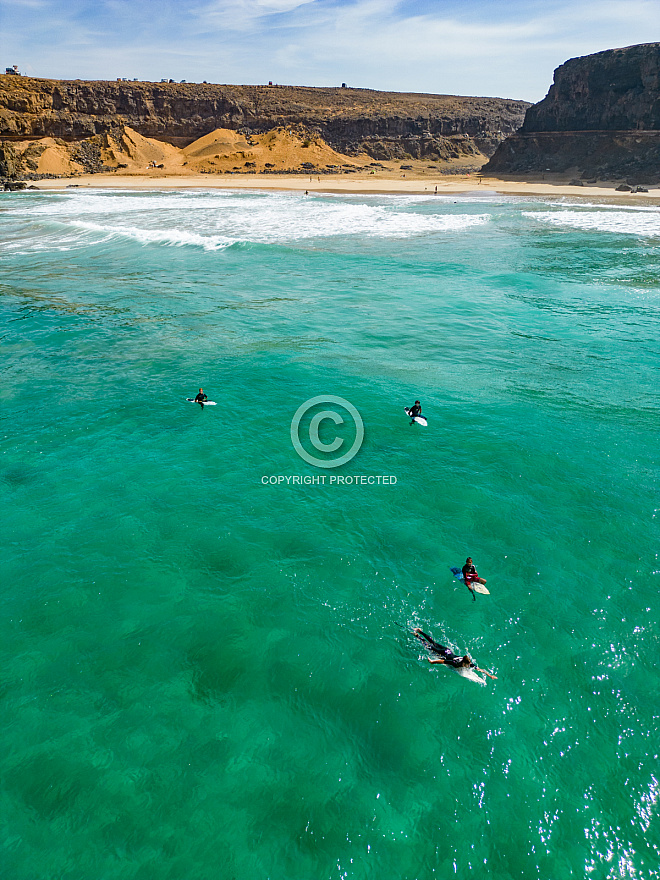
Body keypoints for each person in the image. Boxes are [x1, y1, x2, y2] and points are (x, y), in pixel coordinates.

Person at [413, 628, 497, 679]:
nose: (469, 666)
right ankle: (418, 635)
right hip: (444, 654)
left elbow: (479, 669)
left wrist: (490, 676)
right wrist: (432, 662)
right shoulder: (455, 663)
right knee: (429, 646)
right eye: (467, 664)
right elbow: (443, 661)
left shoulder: (469, 664)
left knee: (434, 643)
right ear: (463, 662)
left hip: (447, 650)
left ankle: (420, 631)